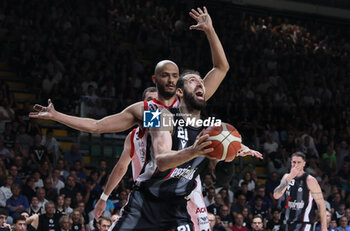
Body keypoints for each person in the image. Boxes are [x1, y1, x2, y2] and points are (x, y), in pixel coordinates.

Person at [109, 63, 262, 229]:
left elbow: (221, 69)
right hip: (148, 194)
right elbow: (121, 166)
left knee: (200, 220)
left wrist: (237, 146)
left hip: (180, 191)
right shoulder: (146, 125)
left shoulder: (193, 119)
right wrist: (104, 196)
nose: (154, 104)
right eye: (150, 102)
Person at [273, 152, 327, 231]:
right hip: (288, 223)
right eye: (294, 162)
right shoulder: (286, 177)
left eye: (299, 162)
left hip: (304, 224)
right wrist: (291, 176)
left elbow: (321, 204)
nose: (296, 165)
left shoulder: (310, 180)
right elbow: (276, 195)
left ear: (304, 164)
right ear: (291, 163)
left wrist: (324, 228)